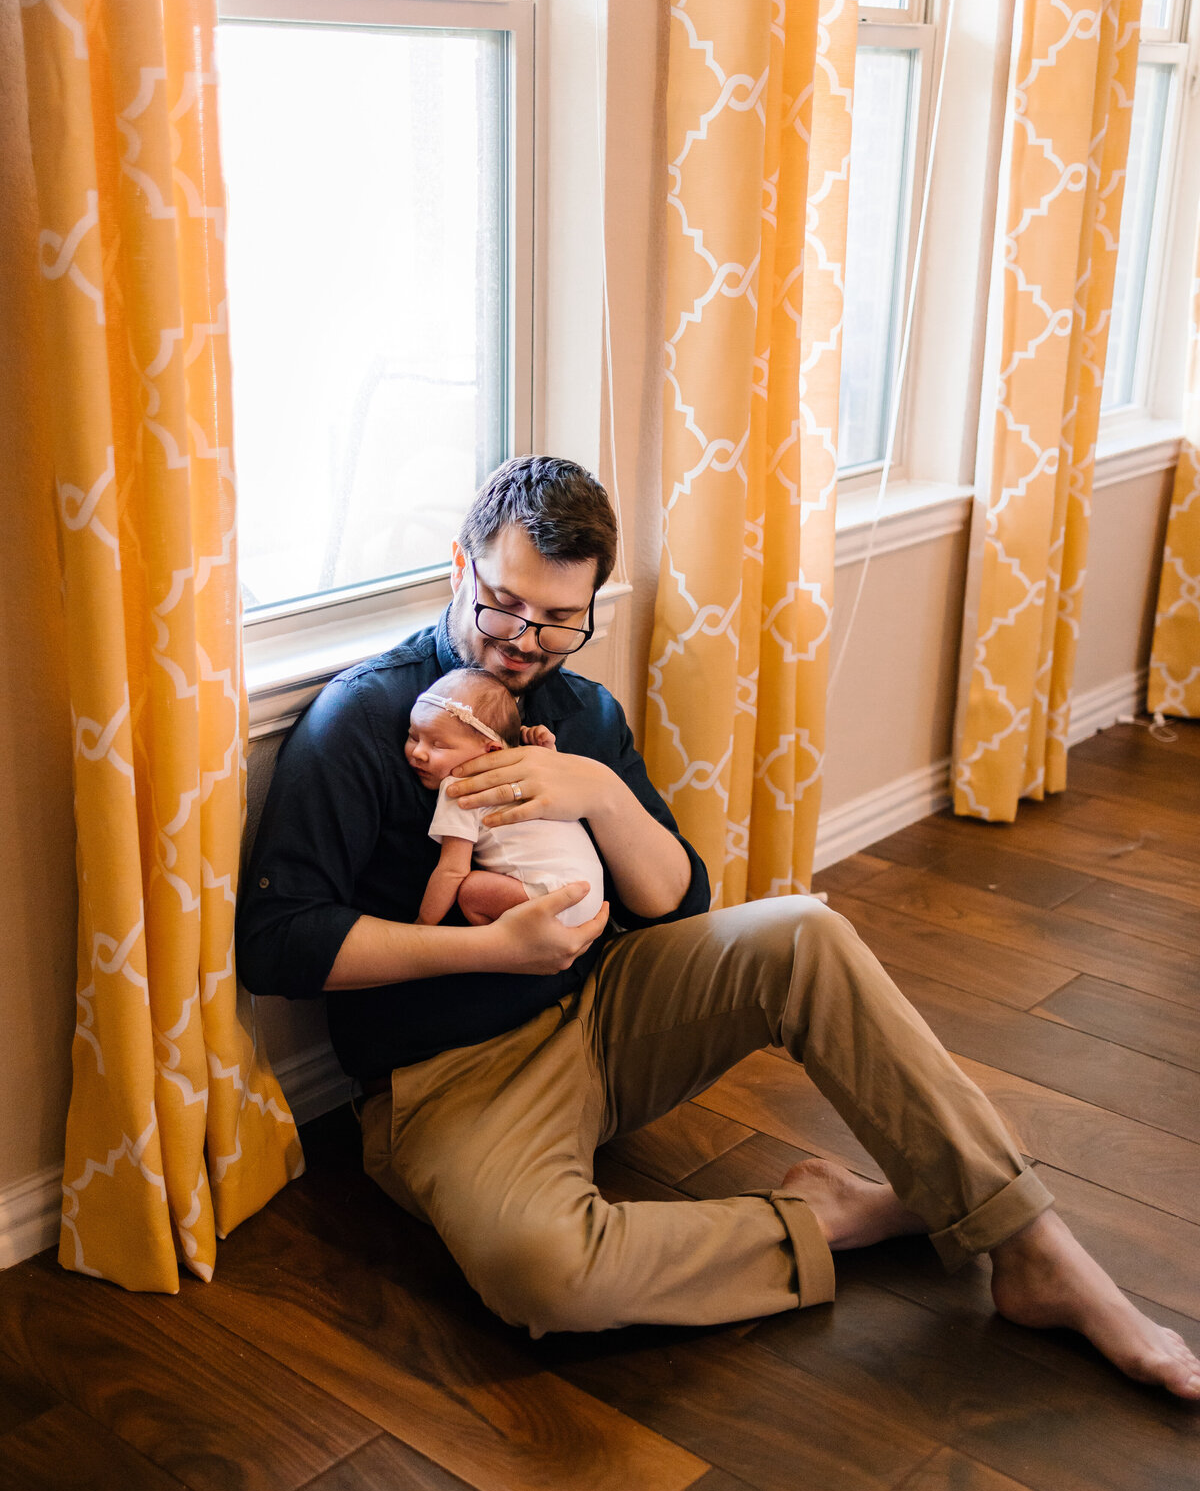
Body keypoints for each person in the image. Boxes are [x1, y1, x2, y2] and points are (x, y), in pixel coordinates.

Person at [237, 455, 1200, 1398]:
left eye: (559, 620)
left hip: (604, 1011)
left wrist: (601, 791)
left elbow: (679, 905)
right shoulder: (364, 720)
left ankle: (1037, 1253)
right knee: (545, 1274)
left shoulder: (578, 710)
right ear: (461, 567)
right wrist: (489, 949)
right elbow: (279, 944)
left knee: (805, 933)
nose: (522, 641)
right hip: (448, 1080)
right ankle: (832, 1219)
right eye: (502, 604)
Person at [406, 667, 604, 929]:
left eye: (438, 745)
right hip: (588, 894)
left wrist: (423, 924)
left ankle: (505, 940)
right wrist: (547, 753)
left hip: (551, 900)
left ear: (492, 750)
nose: (418, 752)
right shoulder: (530, 765)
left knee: (470, 891)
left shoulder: (460, 786)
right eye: (413, 736)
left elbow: (452, 870)